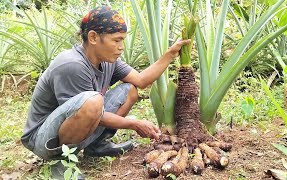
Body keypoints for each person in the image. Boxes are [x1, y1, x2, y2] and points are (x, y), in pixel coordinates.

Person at [20, 5, 190, 179]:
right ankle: (61, 161)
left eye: (123, 40)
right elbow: (90, 113)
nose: (121, 47)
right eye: (116, 40)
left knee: (130, 90)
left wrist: (170, 54)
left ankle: (96, 145)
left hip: (79, 120)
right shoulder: (72, 64)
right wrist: (133, 123)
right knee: (93, 101)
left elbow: (141, 81)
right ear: (93, 37)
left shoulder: (109, 60)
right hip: (43, 139)